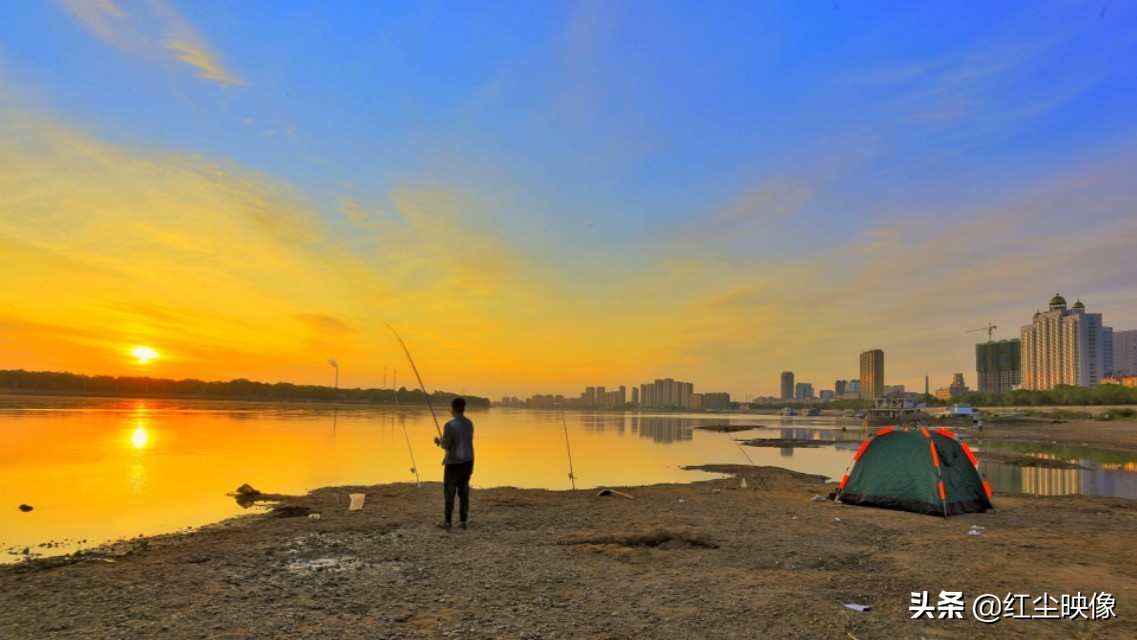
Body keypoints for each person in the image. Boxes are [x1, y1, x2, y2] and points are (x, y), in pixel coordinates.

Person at [434, 397, 474, 530]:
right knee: (464, 491)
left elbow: (446, 444)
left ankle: (448, 522)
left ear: (453, 408)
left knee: (449, 492)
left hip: (453, 463)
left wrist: (439, 441)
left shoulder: (449, 425)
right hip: (468, 461)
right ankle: (463, 521)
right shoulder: (469, 423)